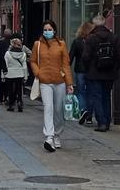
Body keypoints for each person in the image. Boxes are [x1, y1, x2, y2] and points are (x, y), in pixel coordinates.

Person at [30, 20, 73, 152]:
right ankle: (49, 136)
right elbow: (33, 61)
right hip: (45, 82)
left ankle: (57, 134)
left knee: (58, 109)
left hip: (59, 81)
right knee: (48, 107)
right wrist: (38, 73)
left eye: (49, 29)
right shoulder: (37, 45)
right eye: (45, 29)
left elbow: (66, 64)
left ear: (54, 31)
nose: (47, 32)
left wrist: (69, 83)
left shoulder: (61, 44)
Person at [83, 14, 120, 132]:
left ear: (95, 25)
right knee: (106, 96)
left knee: (97, 97)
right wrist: (115, 68)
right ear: (105, 24)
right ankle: (107, 121)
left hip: (94, 73)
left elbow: (86, 56)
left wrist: (88, 68)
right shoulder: (113, 37)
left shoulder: (91, 38)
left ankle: (102, 123)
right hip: (109, 73)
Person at [69, 21, 94, 125]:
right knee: (90, 93)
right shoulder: (93, 41)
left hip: (79, 70)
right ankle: (89, 117)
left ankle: (83, 110)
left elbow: (71, 57)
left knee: (81, 92)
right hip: (91, 70)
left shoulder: (77, 41)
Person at [2, 37, 28, 111]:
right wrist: (25, 76)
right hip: (20, 73)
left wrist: (3, 75)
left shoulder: (7, 53)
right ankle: (19, 101)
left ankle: (11, 104)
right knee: (19, 89)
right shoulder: (23, 54)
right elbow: (24, 66)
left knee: (10, 89)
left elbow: (5, 65)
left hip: (10, 73)